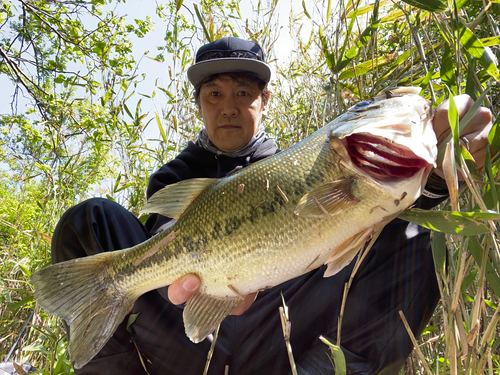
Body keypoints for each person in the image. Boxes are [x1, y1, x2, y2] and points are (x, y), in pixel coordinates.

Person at [51, 36, 493, 374]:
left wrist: (433, 181)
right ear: (200, 106)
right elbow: (173, 280)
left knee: (418, 238)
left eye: (243, 93)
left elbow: (364, 225)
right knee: (90, 219)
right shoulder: (173, 177)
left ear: (264, 102)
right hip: (189, 334)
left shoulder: (304, 161)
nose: (228, 107)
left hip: (282, 326)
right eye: (214, 94)